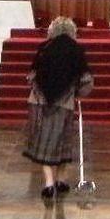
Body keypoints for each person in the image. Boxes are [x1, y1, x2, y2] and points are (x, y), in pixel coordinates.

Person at [22, 16, 94, 201]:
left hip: (39, 102)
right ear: (72, 31)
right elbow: (86, 81)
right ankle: (61, 181)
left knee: (43, 142)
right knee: (62, 142)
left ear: (52, 30)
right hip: (64, 103)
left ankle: (48, 184)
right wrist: (77, 93)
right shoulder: (76, 50)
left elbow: (31, 76)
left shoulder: (44, 48)